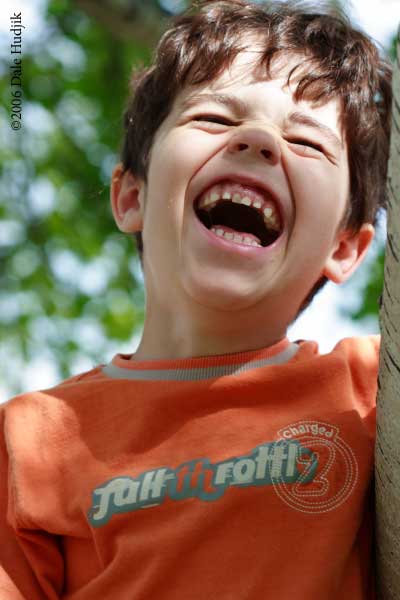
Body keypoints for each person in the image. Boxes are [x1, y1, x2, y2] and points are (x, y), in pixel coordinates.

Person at [0, 0, 393, 598]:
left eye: (307, 144)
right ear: (131, 195)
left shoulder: (374, 391)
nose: (260, 140)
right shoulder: (28, 440)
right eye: (213, 118)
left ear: (345, 247)